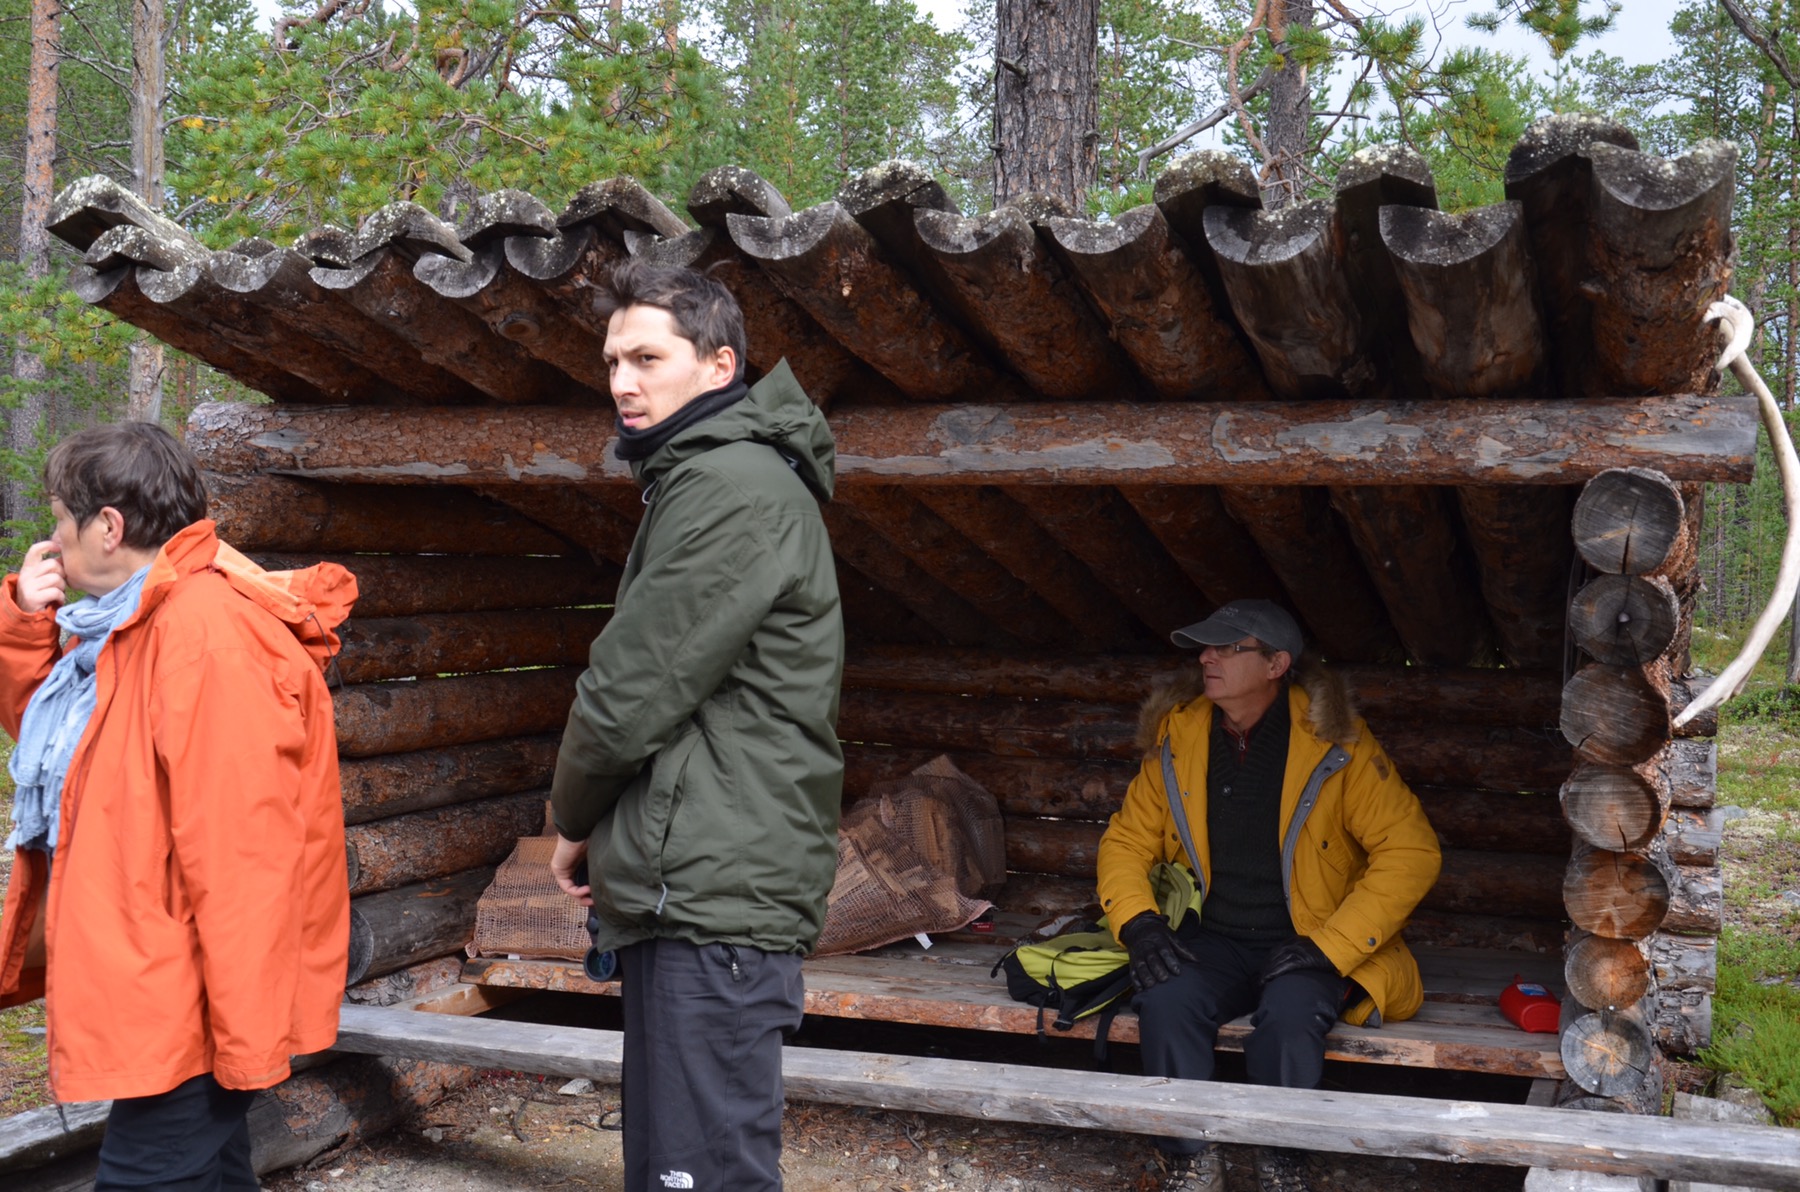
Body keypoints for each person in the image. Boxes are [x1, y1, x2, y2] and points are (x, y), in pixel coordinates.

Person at [548, 259, 844, 1192]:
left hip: (715, 888)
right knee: (675, 1167)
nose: (623, 382)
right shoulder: (706, 478)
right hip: (696, 883)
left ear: (720, 366)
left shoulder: (732, 488)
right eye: (612, 362)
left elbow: (630, 692)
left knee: (703, 1175)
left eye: (647, 358)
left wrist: (571, 821)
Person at [0, 422, 357, 1190]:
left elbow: (246, 855)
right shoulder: (120, 625)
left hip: (192, 996)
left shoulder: (203, 634)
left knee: (144, 1178)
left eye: (59, 520)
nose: (52, 541)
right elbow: (74, 759)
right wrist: (27, 621)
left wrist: (244, 1036)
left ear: (108, 526)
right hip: (153, 978)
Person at [1095, 600, 1440, 1192]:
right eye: (1206, 647)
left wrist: (1330, 947)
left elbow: (1411, 851)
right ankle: (1188, 1158)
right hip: (1214, 937)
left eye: (1229, 648)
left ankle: (1282, 1159)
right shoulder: (1181, 734)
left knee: (1290, 1016)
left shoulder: (1337, 743)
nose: (1207, 657)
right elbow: (1127, 840)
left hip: (1305, 938)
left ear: (1277, 664)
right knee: (1166, 999)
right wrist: (1139, 923)